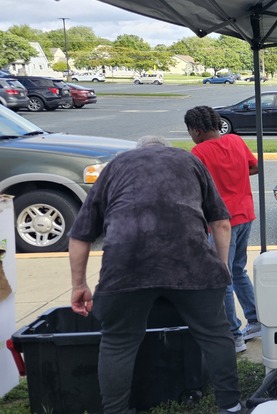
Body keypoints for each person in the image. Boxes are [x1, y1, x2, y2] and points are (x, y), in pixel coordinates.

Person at [69, 136, 243, 414]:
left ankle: (116, 410)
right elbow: (221, 223)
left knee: (118, 341)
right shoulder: (190, 161)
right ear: (165, 148)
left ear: (139, 150)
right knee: (215, 334)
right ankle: (230, 405)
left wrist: (78, 284)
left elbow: (80, 235)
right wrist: (222, 268)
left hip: (125, 266)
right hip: (192, 263)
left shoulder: (116, 165)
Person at [185, 106, 261, 353]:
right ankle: (255, 320)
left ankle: (233, 334)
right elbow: (255, 167)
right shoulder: (236, 141)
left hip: (219, 222)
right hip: (245, 213)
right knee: (238, 270)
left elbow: (194, 185)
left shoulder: (199, 152)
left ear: (196, 130)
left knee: (222, 276)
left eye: (190, 131)